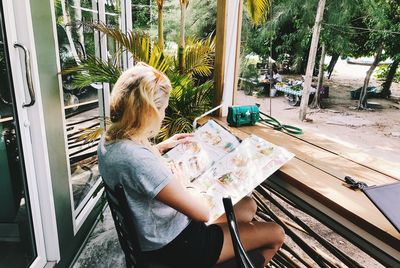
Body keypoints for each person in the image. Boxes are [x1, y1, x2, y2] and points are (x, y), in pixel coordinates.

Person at [98, 63, 285, 267]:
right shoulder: (139, 162)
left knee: (248, 206)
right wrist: (186, 183)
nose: (163, 115)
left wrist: (161, 147)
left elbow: (133, 163)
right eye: (162, 109)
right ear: (147, 112)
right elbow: (202, 213)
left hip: (159, 235)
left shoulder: (109, 142)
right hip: (178, 248)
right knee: (276, 234)